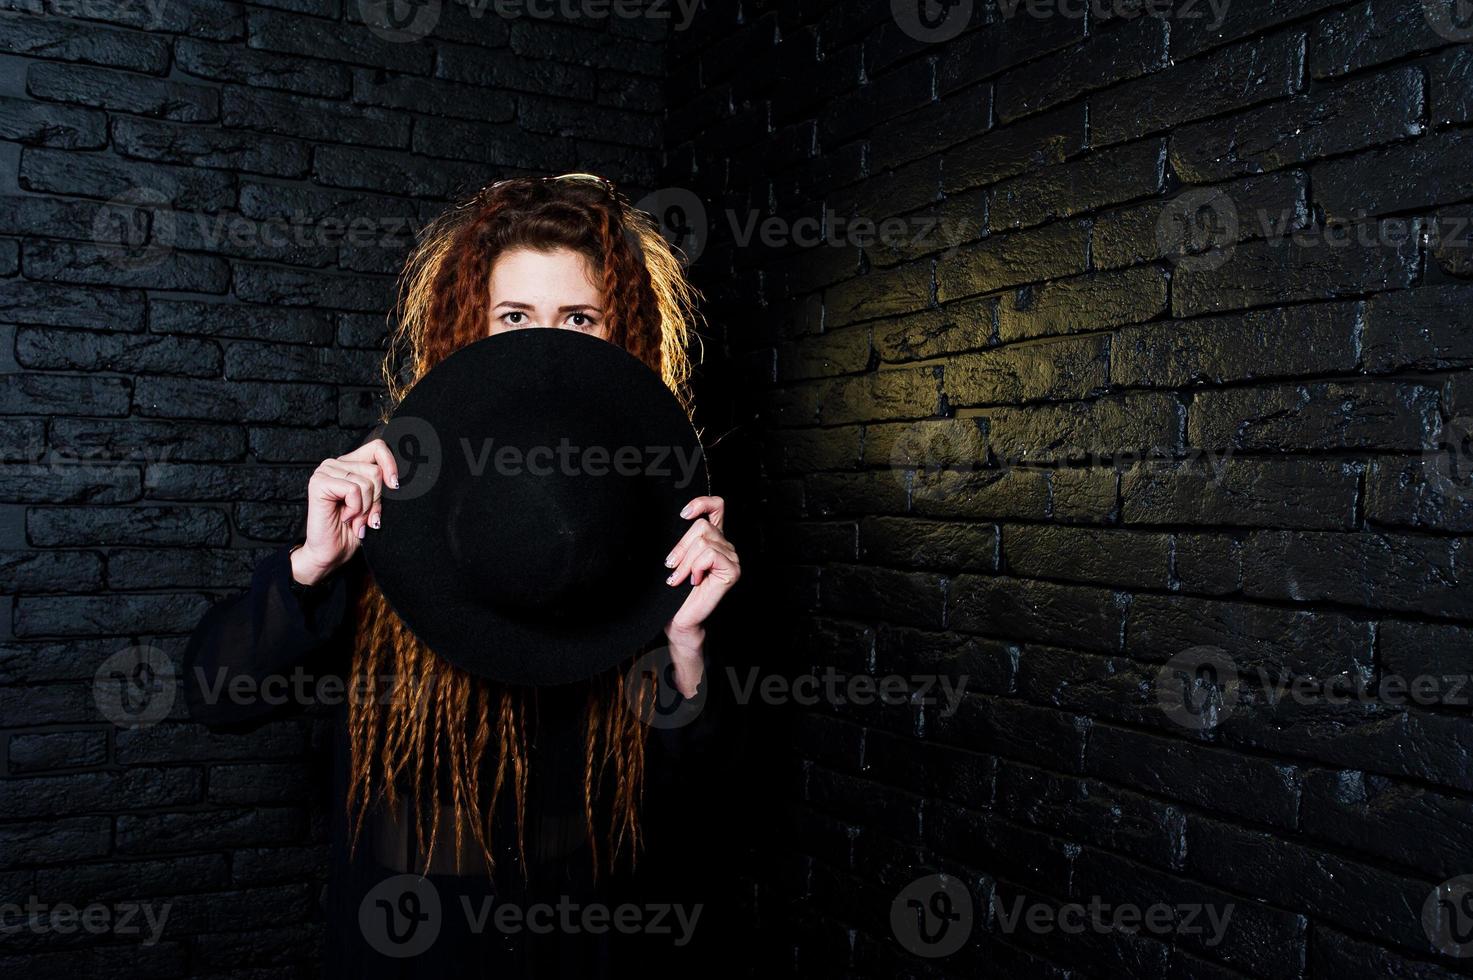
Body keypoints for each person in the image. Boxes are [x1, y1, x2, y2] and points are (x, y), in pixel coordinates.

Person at [182, 173, 740, 977]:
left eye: (579, 318)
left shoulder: (664, 525)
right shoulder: (392, 498)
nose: (543, 342)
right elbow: (216, 697)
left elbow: (708, 812)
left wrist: (688, 649)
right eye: (513, 316)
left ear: (623, 335)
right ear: (467, 328)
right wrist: (310, 569)